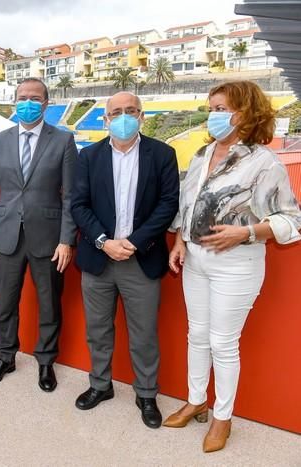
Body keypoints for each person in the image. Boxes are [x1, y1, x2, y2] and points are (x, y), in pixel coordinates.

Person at [164, 81, 301, 452]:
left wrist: (246, 233)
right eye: (211, 107)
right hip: (195, 259)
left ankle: (223, 418)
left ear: (244, 113)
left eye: (221, 108)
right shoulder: (201, 154)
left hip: (236, 265)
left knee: (223, 343)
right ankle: (196, 401)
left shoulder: (263, 162)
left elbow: (291, 221)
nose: (214, 115)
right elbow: (187, 205)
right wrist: (179, 240)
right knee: (197, 334)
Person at [71, 91, 179, 428]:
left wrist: (132, 242)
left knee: (144, 333)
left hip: (140, 258)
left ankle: (146, 393)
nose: (123, 117)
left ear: (141, 116)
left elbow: (167, 204)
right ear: (104, 119)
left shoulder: (162, 154)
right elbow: (79, 205)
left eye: (130, 110)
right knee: (98, 330)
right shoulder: (87, 157)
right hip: (99, 258)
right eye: (116, 112)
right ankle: (100, 386)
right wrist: (105, 242)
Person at [0, 77, 78, 392]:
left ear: (46, 104)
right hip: (6, 235)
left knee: (49, 303)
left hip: (48, 239)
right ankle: (5, 356)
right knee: (5, 302)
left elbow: (70, 198)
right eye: (22, 97)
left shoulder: (63, 141)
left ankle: (45, 361)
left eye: (35, 98)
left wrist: (66, 240)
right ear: (14, 100)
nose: (28, 102)